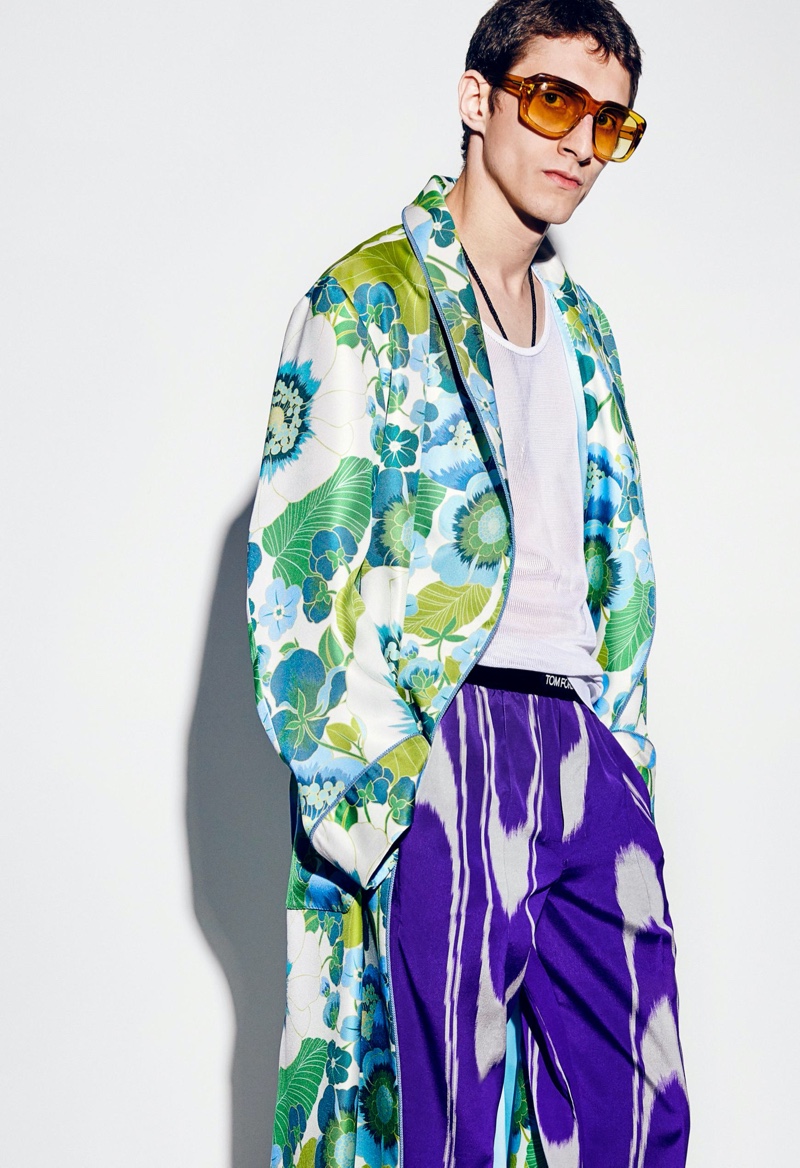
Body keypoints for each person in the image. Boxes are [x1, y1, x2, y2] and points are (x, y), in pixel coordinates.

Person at [247, 1, 690, 1164]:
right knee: (443, 1116)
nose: (578, 142)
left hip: (581, 744)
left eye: (607, 122)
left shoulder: (585, 330)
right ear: (475, 98)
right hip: (447, 738)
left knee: (638, 1111)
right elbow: (299, 587)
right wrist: (392, 803)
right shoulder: (364, 302)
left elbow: (614, 561)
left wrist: (624, 759)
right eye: (551, 100)